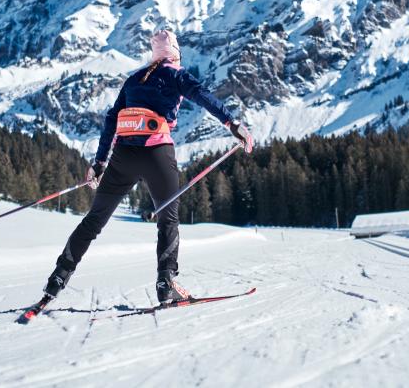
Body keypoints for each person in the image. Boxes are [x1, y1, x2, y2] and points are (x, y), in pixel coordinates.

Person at [42, 29, 254, 304]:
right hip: (157, 152)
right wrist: (232, 124)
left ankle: (58, 278)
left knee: (94, 219)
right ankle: (166, 283)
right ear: (175, 54)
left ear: (154, 54)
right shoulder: (176, 75)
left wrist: (99, 162)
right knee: (168, 219)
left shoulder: (133, 80)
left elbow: (111, 120)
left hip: (123, 156)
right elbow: (202, 96)